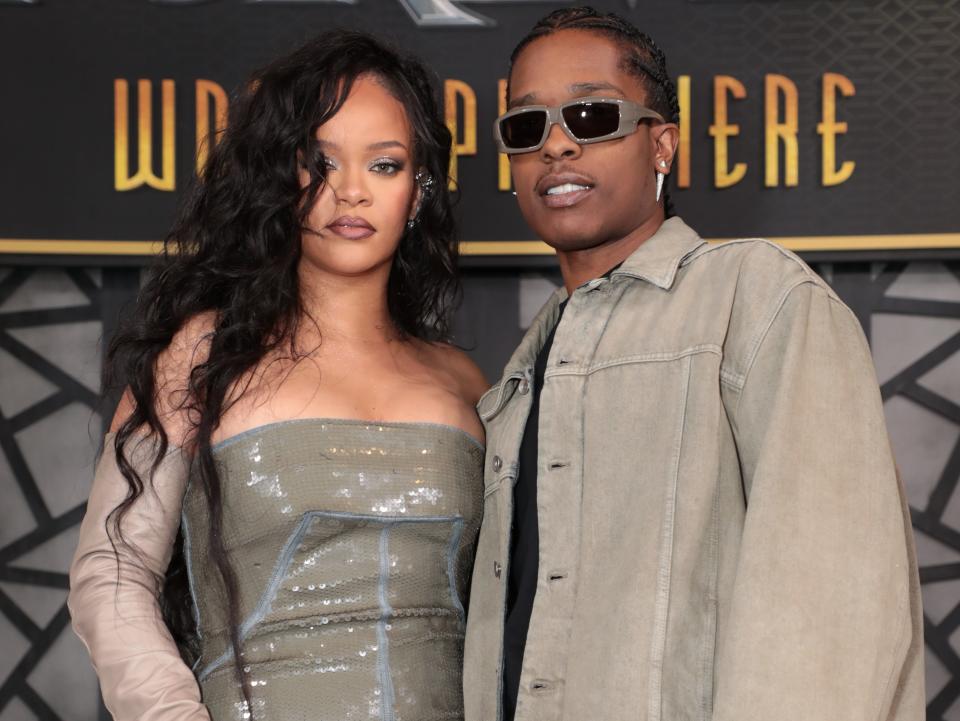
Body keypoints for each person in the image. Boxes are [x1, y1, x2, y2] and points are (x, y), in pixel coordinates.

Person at [463, 7, 924, 721]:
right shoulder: (518, 375)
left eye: (591, 116)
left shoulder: (761, 299)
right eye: (527, 128)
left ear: (662, 145)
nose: (556, 145)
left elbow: (830, 612)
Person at [68, 31, 488, 721]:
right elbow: (110, 569)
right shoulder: (205, 354)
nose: (351, 191)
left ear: (418, 193)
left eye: (384, 165)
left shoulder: (467, 383)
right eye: (319, 162)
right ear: (279, 177)